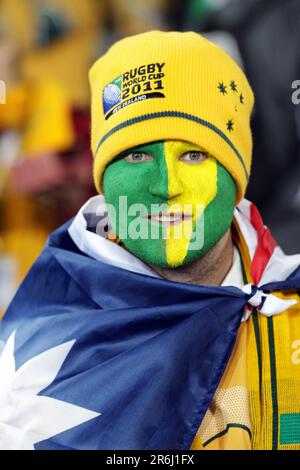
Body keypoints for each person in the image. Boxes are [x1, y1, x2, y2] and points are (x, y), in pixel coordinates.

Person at [0, 31, 300, 451]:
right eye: (138, 155)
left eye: (193, 155)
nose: (166, 186)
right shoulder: (29, 366)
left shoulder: (288, 306)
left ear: (236, 180)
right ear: (103, 181)